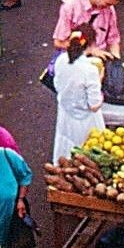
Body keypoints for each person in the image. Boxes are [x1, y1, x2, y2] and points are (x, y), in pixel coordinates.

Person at [51, 27, 106, 161]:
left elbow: (57, 85)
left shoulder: (61, 60)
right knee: (89, 154)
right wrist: (100, 79)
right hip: (86, 121)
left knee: (66, 148)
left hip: (65, 114)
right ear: (92, 44)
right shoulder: (90, 70)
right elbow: (94, 105)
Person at [52, 0, 124, 57]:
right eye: (107, 4)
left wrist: (115, 57)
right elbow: (58, 42)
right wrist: (90, 50)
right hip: (74, 58)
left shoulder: (109, 9)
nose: (108, 7)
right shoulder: (71, 5)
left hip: (98, 59)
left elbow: (113, 39)